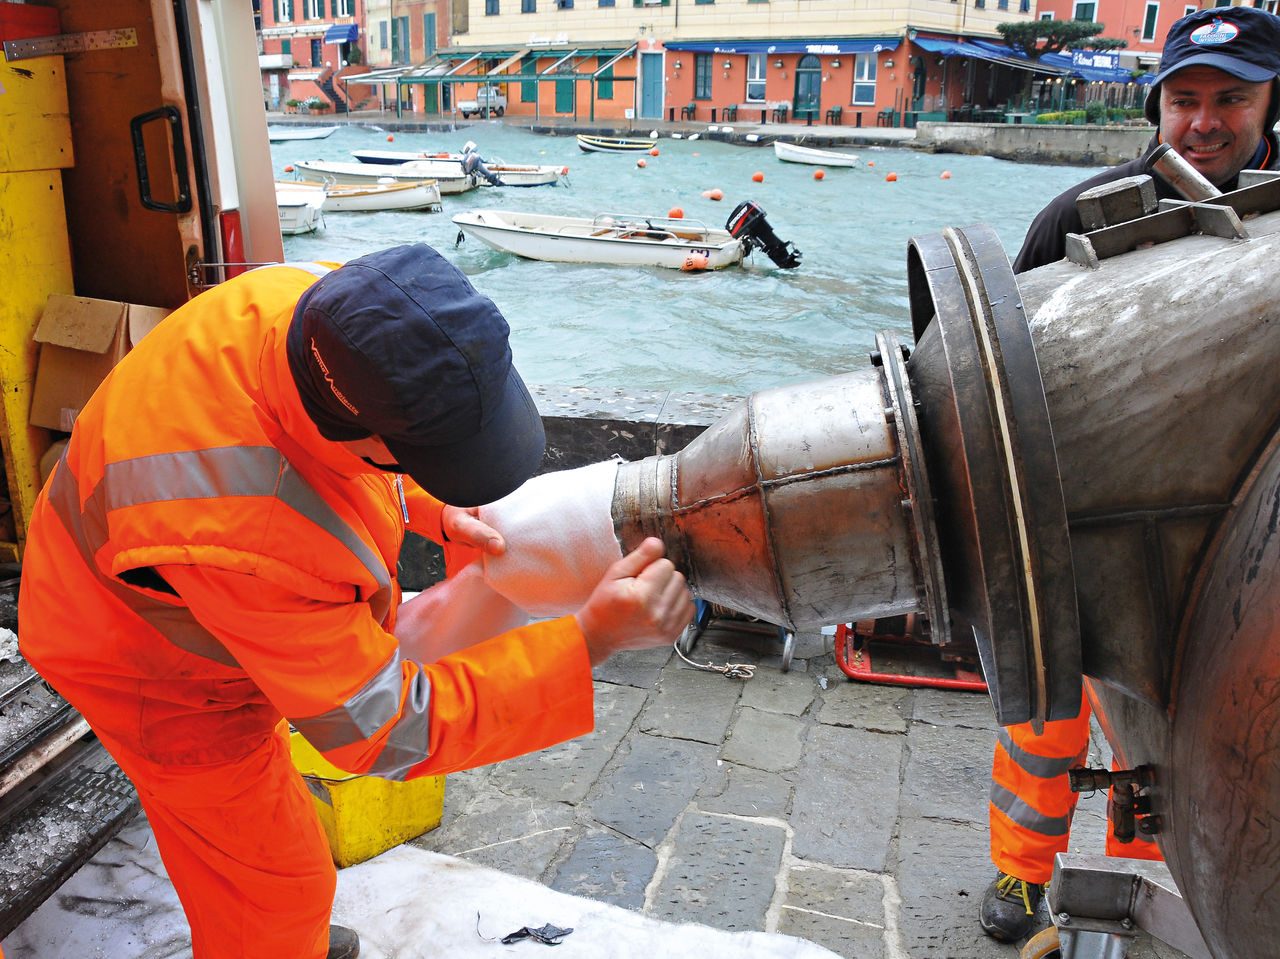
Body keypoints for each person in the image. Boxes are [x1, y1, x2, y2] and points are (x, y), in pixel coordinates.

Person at [17, 243, 694, 959]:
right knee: (274, 884)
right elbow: (381, 726)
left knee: (273, 830)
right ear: (365, 437)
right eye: (413, 457)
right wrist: (587, 640)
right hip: (145, 664)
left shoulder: (325, 304)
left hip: (163, 564)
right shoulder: (253, 529)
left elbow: (336, 454)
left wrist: (434, 505)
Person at [982, 6, 1280, 942]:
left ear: (1269, 101)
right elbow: (994, 365)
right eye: (1184, 98)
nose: (1205, 121)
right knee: (1045, 711)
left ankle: (1208, 871)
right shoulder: (1078, 217)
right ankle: (1022, 873)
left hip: (1243, 530)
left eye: (1232, 98)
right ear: (1157, 104)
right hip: (1096, 512)